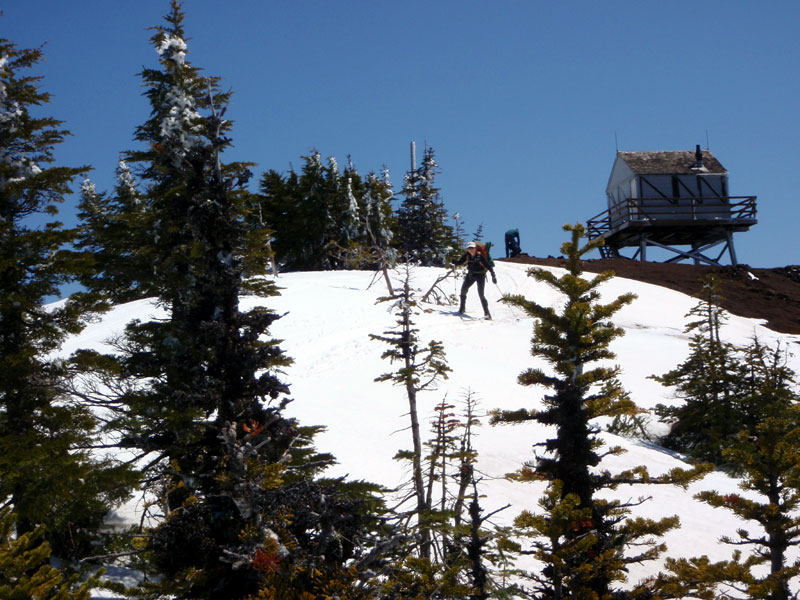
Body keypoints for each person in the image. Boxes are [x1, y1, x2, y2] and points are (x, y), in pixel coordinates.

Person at [453, 241, 497, 319]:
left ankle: (487, 314)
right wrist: (455, 262)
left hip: (480, 276)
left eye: (472, 248)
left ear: (475, 248)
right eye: (469, 248)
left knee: (481, 295)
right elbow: (460, 262)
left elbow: (489, 266)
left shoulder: (480, 256)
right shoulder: (467, 255)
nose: (470, 250)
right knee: (463, 290)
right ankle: (462, 308)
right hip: (471, 275)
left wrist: (493, 276)